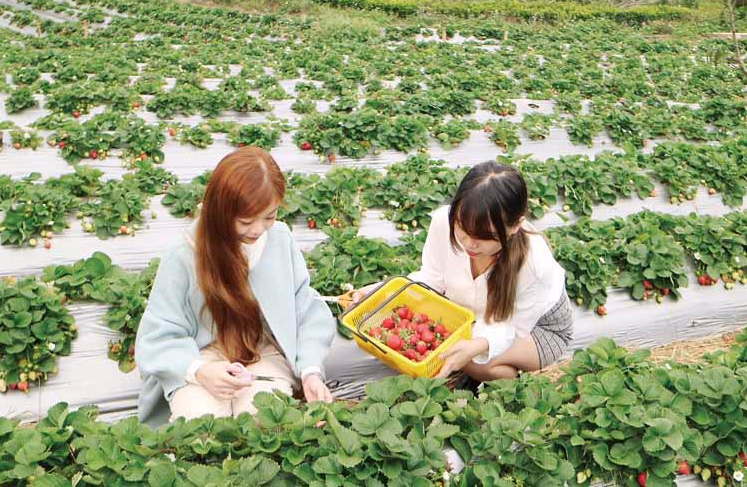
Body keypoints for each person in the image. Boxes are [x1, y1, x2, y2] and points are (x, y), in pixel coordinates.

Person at [325, 161, 572, 396]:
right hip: (480, 314)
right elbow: (432, 278)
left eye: (486, 237)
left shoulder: (535, 263)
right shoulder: (444, 222)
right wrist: (381, 293)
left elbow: (511, 327)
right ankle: (492, 367)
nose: (469, 243)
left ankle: (515, 381)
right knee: (451, 351)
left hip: (537, 328)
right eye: (462, 228)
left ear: (515, 226)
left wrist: (476, 346)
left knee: (472, 362)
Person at [136, 146, 335, 427]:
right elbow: (157, 335)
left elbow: (306, 310)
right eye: (245, 221)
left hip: (264, 351)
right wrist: (199, 371)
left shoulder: (279, 240)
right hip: (202, 354)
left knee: (262, 420)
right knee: (200, 425)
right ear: (220, 211)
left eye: (269, 216)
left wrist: (311, 371)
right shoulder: (184, 254)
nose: (257, 229)